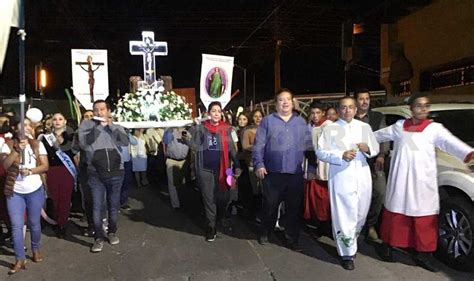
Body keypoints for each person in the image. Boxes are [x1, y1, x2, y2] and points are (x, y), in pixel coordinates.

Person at [373, 93, 474, 272]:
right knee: (396, 215)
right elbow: (378, 136)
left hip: (422, 182)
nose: (423, 109)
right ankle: (388, 246)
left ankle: (423, 254)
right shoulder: (399, 126)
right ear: (411, 109)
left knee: (423, 218)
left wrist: (469, 154)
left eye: (426, 106)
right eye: (419, 105)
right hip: (401, 180)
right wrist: (359, 141)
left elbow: (452, 143)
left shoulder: (435, 129)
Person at [316, 97, 379, 270]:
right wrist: (340, 155)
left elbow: (375, 148)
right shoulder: (330, 129)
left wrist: (368, 149)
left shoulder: (364, 127)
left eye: (351, 107)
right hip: (341, 176)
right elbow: (321, 152)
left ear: (355, 109)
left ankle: (352, 241)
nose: (347, 111)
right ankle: (346, 253)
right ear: (338, 110)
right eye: (343, 108)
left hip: (362, 176)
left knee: (360, 213)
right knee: (344, 214)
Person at [253, 89, 313, 251]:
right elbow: (259, 145)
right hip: (272, 173)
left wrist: (312, 168)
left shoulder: (300, 122)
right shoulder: (267, 121)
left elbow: (309, 147)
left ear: (293, 102)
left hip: (295, 174)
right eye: (281, 99)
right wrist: (259, 164)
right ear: (276, 103)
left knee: (293, 209)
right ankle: (266, 231)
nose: (285, 102)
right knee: (270, 206)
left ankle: (292, 238)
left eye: (288, 99)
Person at [78, 100, 129, 253]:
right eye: (96, 110)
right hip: (95, 173)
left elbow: (125, 142)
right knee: (97, 206)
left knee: (113, 206)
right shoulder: (86, 126)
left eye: (102, 109)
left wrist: (111, 126)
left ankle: (112, 232)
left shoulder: (117, 127)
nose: (99, 112)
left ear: (108, 111)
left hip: (115, 172)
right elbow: (84, 143)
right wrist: (100, 127)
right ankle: (98, 237)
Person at [0, 117, 49, 275]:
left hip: (34, 189)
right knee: (16, 225)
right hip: (15, 191)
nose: (27, 128)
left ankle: (35, 248)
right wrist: (16, 150)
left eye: (29, 125)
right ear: (15, 128)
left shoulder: (37, 144)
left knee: (34, 223)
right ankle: (19, 258)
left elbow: (45, 166)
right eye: (23, 125)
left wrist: (31, 171)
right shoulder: (7, 145)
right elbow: (5, 165)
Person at [189, 101, 241, 242]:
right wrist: (195, 125)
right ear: (208, 113)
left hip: (224, 169)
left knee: (224, 197)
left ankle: (219, 217)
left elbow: (232, 149)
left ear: (221, 113)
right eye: (213, 111)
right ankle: (211, 227)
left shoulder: (226, 129)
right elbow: (192, 144)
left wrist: (237, 165)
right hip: (205, 170)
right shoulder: (201, 128)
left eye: (219, 111)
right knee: (208, 198)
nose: (216, 113)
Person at [354, 89, 389, 243]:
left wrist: (381, 156)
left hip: (374, 163)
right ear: (356, 101)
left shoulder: (377, 117)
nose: (365, 101)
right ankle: (355, 226)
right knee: (356, 196)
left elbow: (384, 138)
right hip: (354, 164)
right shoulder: (349, 118)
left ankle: (371, 226)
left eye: (367, 98)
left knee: (380, 193)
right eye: (361, 98)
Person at [39, 113, 76, 238]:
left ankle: (62, 224)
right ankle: (56, 220)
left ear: (65, 121)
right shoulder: (45, 138)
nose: (57, 121)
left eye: (60, 119)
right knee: (54, 198)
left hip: (67, 171)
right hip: (52, 171)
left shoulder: (72, 137)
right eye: (55, 119)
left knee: (65, 198)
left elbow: (75, 155)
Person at [303, 101, 332, 237]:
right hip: (313, 165)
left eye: (317, 113)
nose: (315, 116)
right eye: (313, 113)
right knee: (316, 198)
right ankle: (319, 225)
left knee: (325, 198)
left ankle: (326, 227)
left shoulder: (329, 127)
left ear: (323, 113)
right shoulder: (311, 127)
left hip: (326, 168)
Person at [163, 127, 190, 210]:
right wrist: (169, 129)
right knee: (172, 183)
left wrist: (187, 138)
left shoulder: (187, 132)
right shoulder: (170, 130)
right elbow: (166, 141)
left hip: (183, 161)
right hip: (172, 160)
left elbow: (193, 143)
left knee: (182, 183)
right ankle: (175, 204)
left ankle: (183, 202)